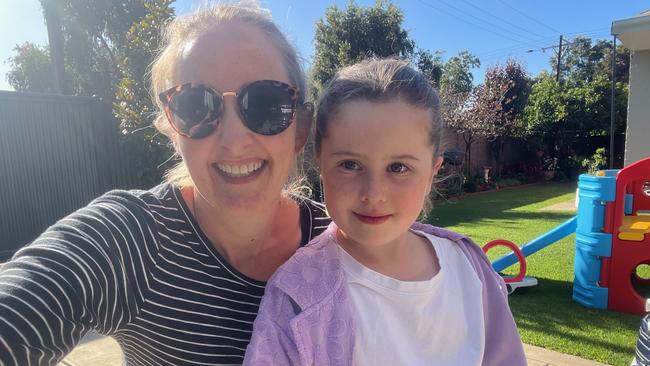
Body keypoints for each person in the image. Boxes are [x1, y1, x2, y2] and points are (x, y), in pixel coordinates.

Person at [0, 3, 329, 365]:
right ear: (173, 129)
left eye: (267, 103)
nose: (234, 139)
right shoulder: (132, 239)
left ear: (300, 128)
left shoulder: (346, 244)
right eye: (194, 106)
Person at [244, 58, 526, 366]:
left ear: (432, 172)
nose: (373, 194)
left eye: (399, 167)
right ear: (321, 163)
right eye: (350, 164)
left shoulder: (470, 266)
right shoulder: (297, 296)